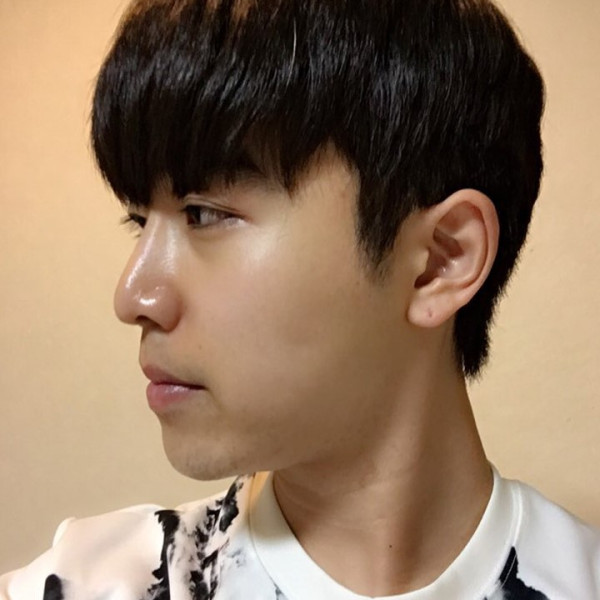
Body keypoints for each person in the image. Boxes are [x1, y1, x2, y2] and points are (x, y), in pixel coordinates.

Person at [1, 0, 599, 598]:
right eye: (139, 222)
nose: (133, 296)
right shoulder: (86, 585)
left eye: (204, 214)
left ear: (440, 261)